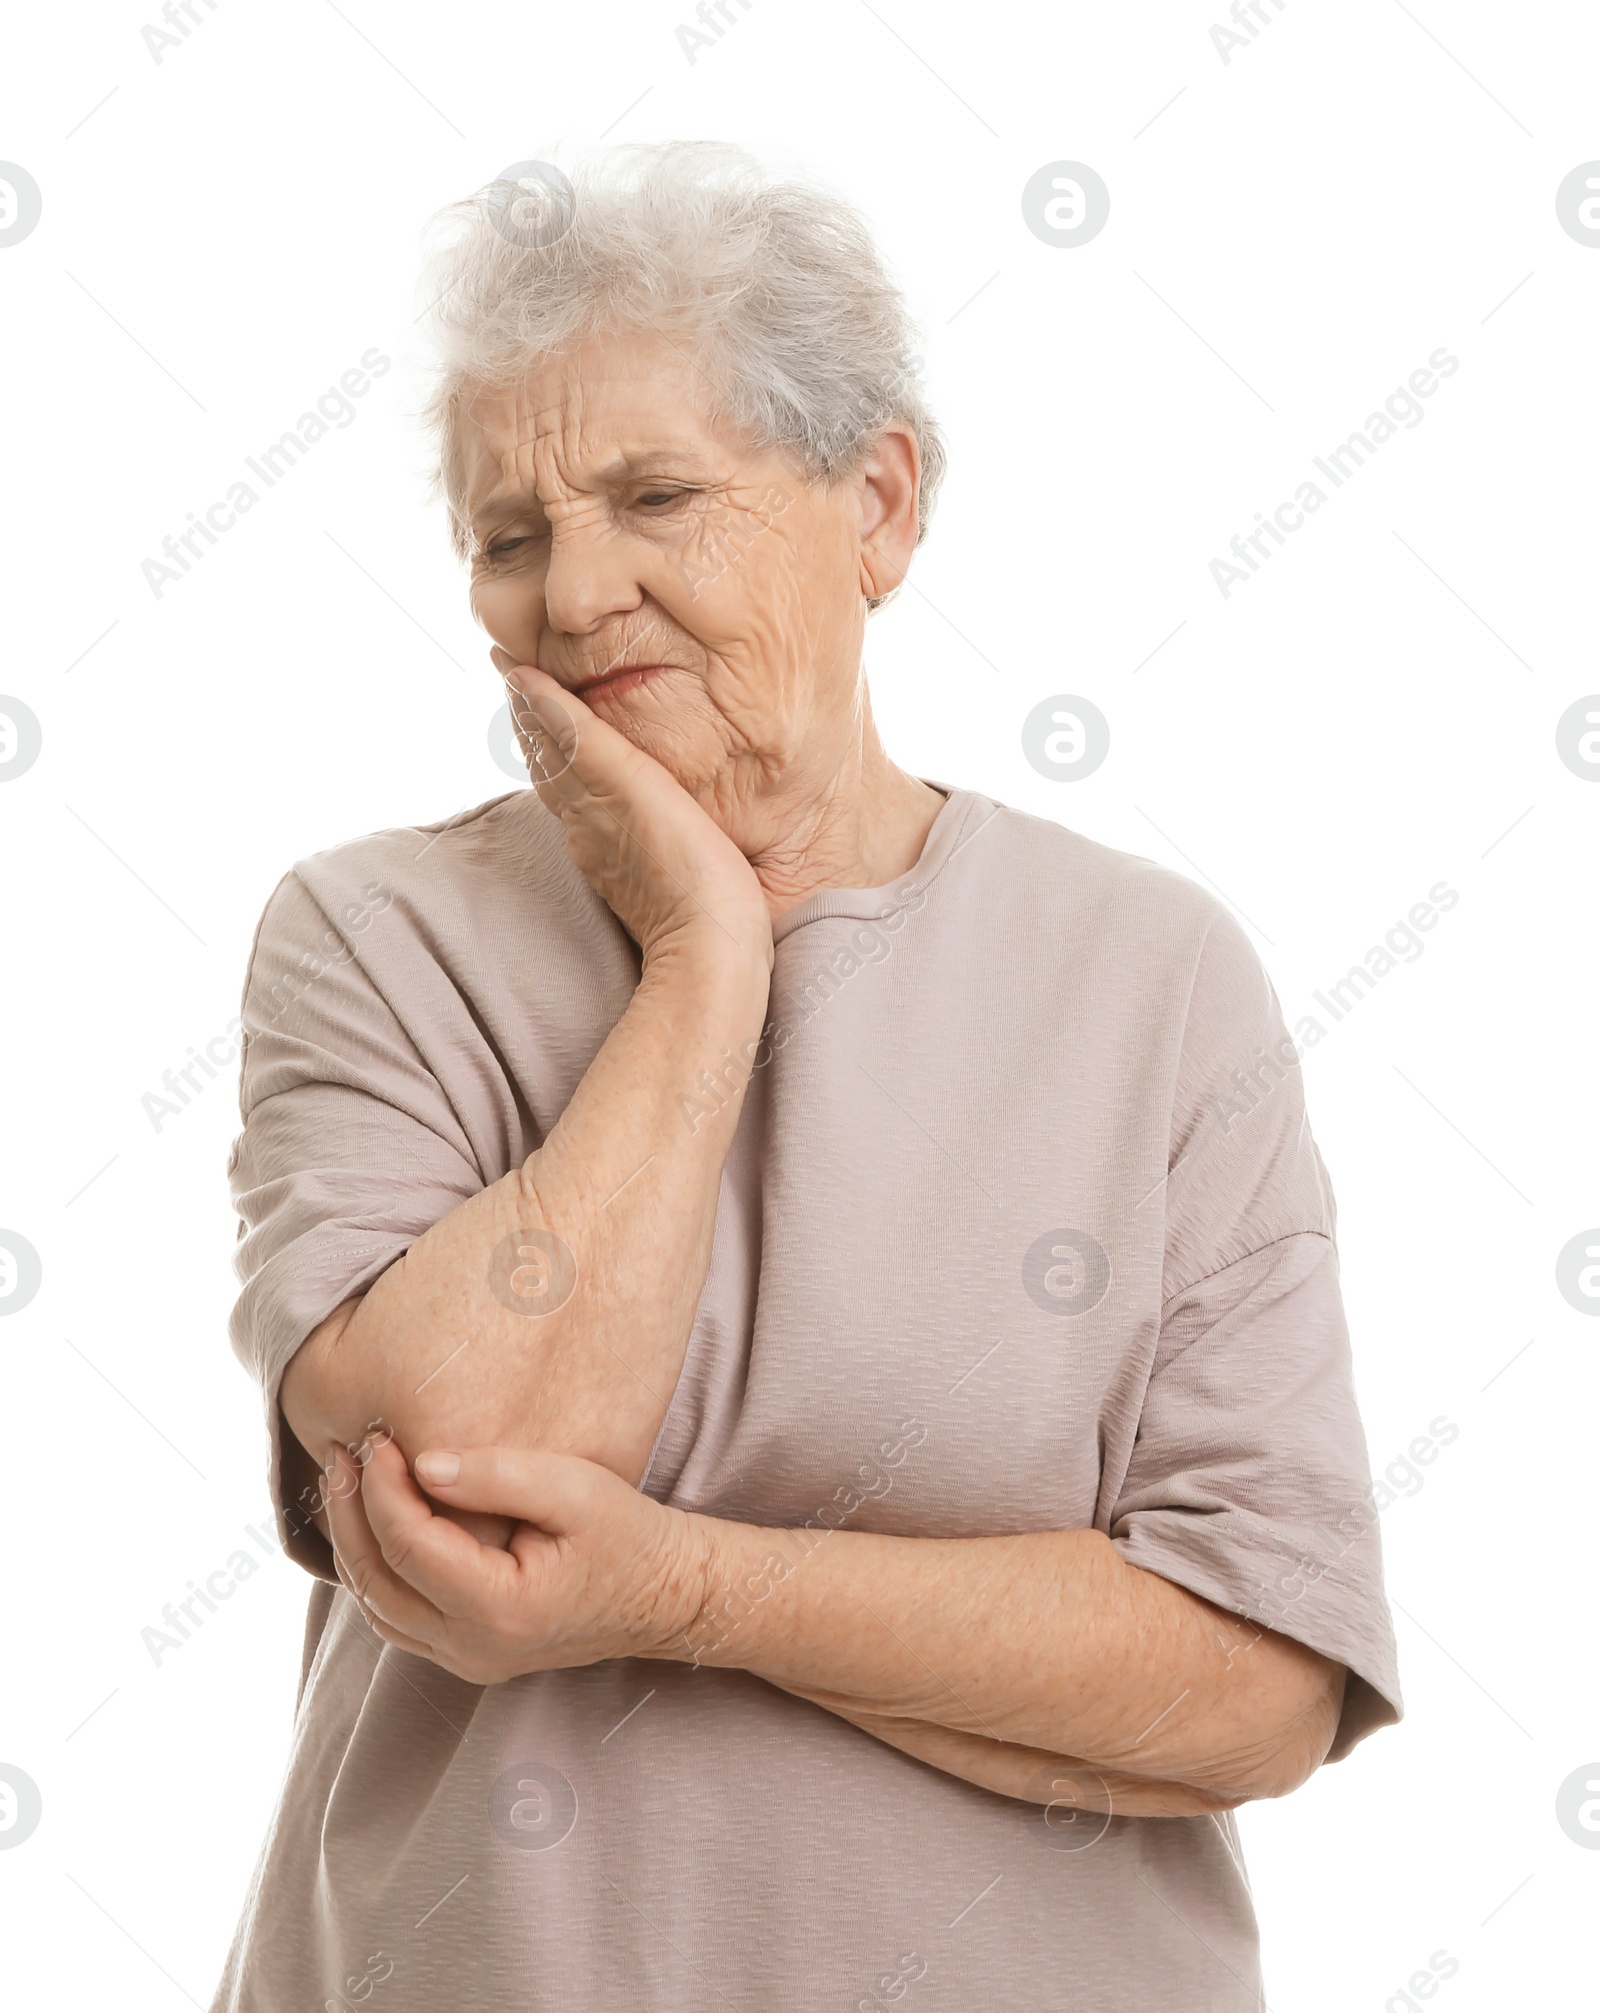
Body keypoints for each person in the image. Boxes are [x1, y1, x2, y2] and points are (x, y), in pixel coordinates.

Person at [216, 139, 1400, 2011]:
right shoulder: (376, 937)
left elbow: (1259, 1679)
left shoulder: (1148, 978)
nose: (575, 592)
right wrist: (705, 959)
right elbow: (465, 1462)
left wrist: (679, 1587)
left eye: (656, 496)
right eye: (509, 538)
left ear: (881, 505)